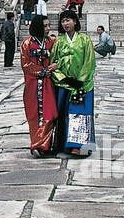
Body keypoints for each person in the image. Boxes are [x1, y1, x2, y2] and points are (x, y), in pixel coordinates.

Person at [51, 9, 96, 157]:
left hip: (82, 85)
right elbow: (53, 64)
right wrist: (64, 79)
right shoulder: (59, 42)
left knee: (81, 114)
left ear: (75, 21)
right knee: (64, 114)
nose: (65, 23)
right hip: (64, 85)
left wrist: (79, 81)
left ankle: (80, 145)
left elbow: (89, 62)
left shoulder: (85, 40)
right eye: (63, 21)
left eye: (68, 20)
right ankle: (65, 144)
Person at [21, 17, 61, 156]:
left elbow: (59, 57)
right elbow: (26, 64)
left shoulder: (53, 42)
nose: (48, 28)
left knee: (50, 114)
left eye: (49, 25)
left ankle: (43, 144)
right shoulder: (26, 44)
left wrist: (55, 65)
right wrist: (43, 71)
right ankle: (37, 144)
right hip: (32, 85)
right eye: (45, 26)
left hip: (49, 84)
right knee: (34, 115)